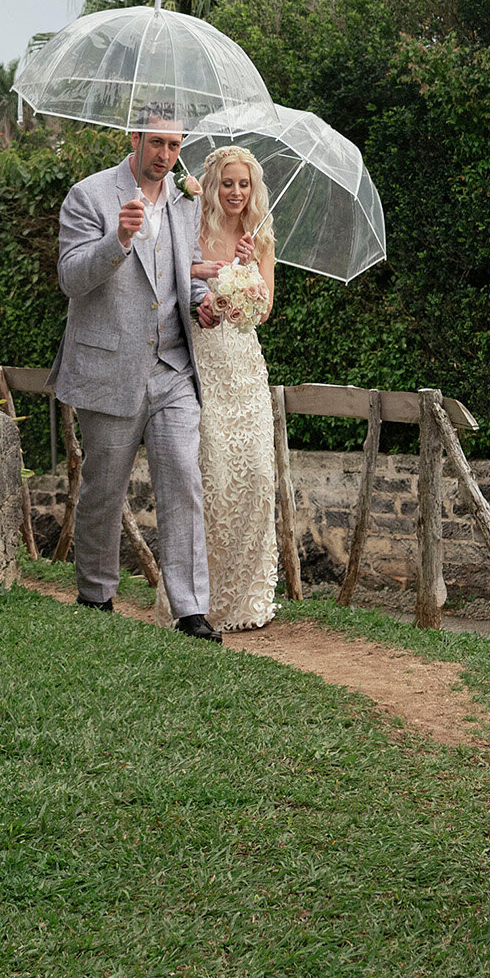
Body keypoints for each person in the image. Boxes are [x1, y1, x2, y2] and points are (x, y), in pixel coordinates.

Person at [49, 104, 223, 641]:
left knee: (183, 481)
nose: (166, 157)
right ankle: (96, 593)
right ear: (135, 138)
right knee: (104, 488)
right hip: (111, 369)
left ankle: (190, 608)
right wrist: (117, 242)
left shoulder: (185, 201)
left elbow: (182, 281)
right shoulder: (89, 195)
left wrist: (205, 303)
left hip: (173, 369)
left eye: (175, 146)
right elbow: (71, 279)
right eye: (157, 145)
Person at [185, 145, 280, 632]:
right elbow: (181, 286)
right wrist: (213, 295)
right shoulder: (193, 230)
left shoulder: (260, 238)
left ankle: (249, 601)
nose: (237, 192)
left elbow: (260, 313)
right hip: (205, 365)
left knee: (259, 478)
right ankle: (199, 600)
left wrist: (245, 272)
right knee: (214, 478)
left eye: (244, 184)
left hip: (246, 368)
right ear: (214, 185)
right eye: (228, 183)